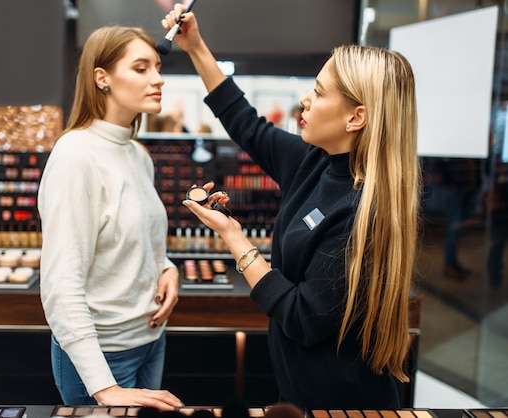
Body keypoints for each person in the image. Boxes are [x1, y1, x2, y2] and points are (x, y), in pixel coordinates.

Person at [162, 5, 420, 409]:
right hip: (296, 395)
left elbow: (303, 317)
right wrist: (194, 46)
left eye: (318, 92)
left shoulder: (362, 211)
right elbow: (245, 122)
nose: (305, 99)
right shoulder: (315, 162)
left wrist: (233, 237)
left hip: (344, 406)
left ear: (356, 117)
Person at [37, 25, 182, 410]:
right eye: (140, 68)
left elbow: (141, 238)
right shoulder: (76, 155)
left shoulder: (137, 154)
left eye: (156, 67)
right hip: (102, 357)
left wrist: (166, 268)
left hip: (151, 340)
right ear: (102, 78)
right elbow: (60, 284)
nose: (158, 79)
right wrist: (105, 388)